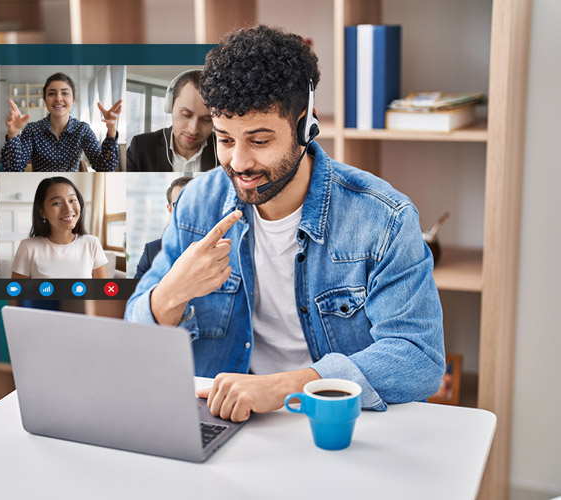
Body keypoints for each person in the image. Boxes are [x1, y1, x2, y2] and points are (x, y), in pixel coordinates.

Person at [125, 25, 445, 423]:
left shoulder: (384, 220)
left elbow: (419, 357)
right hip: (224, 422)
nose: (239, 163)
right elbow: (135, 333)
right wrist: (170, 294)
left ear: (304, 126)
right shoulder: (197, 204)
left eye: (259, 141)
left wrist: (284, 386)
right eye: (225, 140)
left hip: (332, 424)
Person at [0, 72, 122, 172]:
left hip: (70, 187)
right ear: (45, 99)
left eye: (65, 93)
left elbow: (105, 168)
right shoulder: (32, 130)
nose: (58, 98)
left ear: (73, 99)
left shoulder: (82, 129)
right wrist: (13, 134)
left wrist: (111, 130)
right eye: (52, 93)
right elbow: (13, 169)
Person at [11, 176, 107, 279]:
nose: (68, 209)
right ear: (42, 212)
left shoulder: (92, 243)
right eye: (57, 203)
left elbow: (101, 291)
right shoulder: (28, 247)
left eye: (72, 200)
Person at [126, 70, 218, 172]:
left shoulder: (227, 151)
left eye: (206, 120)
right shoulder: (140, 148)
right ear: (170, 107)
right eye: (186, 115)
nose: (193, 130)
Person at [133, 176, 193, 279]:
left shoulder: (221, 247)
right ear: (169, 209)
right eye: (177, 204)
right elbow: (136, 291)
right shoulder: (151, 251)